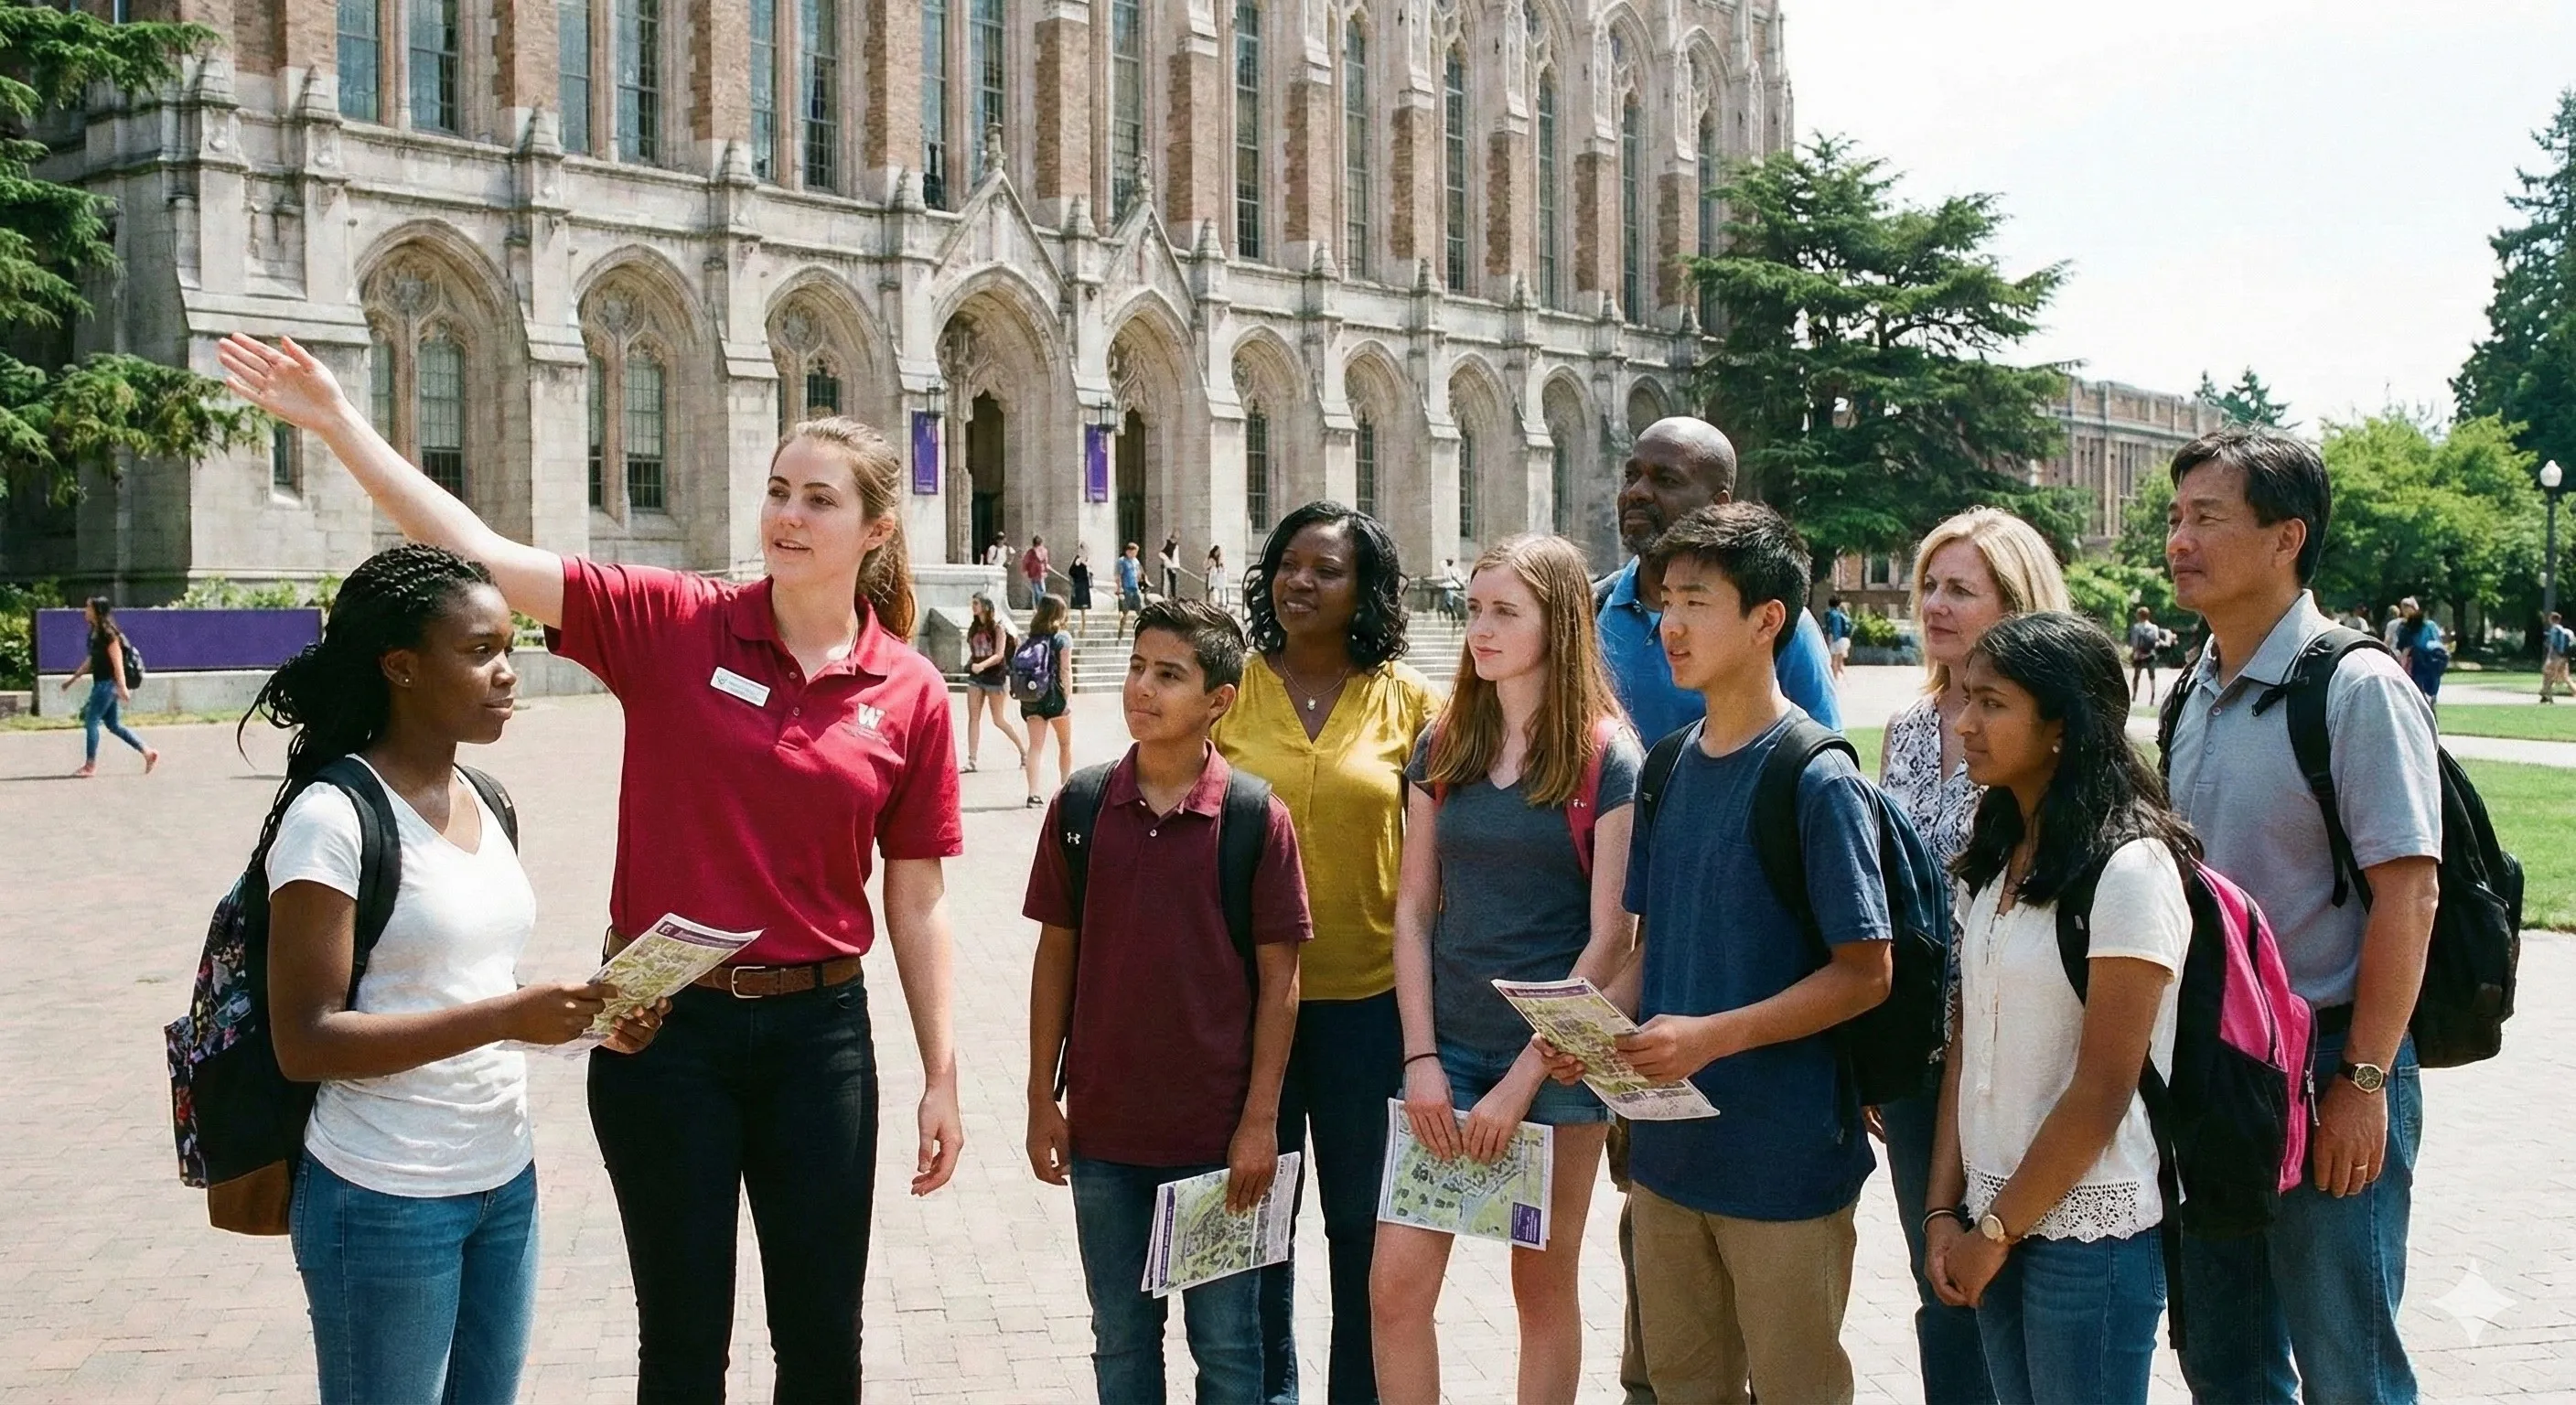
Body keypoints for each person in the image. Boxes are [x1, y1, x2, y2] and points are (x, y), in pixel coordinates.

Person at [220, 334, 967, 1400]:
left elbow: (917, 897)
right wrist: (339, 421)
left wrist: (942, 1071)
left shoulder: (907, 691)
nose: (786, 518)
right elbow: (478, 551)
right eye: (775, 492)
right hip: (664, 1031)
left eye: (817, 500)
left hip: (820, 1041)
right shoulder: (673, 622)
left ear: (876, 529)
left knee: (821, 1343)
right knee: (680, 1344)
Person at [252, 544, 665, 1404]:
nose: (508, 674)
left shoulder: (489, 797)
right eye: (480, 653)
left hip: (500, 1178)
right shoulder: (332, 819)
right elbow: (306, 1040)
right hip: (382, 1193)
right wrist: (511, 1017)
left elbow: (473, 986)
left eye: (511, 649)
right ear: (401, 667)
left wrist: (590, 1018)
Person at [1546, 501, 1893, 1404]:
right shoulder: (1662, 766)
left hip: (1781, 1165)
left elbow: (1865, 974)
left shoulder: (1816, 779)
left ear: (1765, 620)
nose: (1667, 624)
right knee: (1677, 1387)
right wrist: (1586, 1031)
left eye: (1695, 601)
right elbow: (1648, 950)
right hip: (1665, 1164)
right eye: (1664, 601)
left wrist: (1713, 1036)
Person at [2161, 425, 2442, 1405]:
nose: (2177, 541)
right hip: (2218, 1075)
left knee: (2346, 1365)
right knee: (2223, 1361)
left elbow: (2410, 892)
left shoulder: (2355, 686)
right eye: (2172, 517)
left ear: (2286, 537)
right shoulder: (2192, 688)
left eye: (2205, 518)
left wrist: (2364, 1079)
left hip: (2329, 1066)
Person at [1586, 414, 1841, 1403]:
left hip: (1733, 977)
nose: (1638, 493)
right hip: (1629, 961)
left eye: (1668, 480)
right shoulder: (1598, 614)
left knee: (1759, 1290)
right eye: (1633, 474)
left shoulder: (1790, 671)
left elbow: (1812, 783)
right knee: (1655, 1230)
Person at [1372, 534, 1640, 1405]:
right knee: (1397, 1288)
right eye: (1475, 608)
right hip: (1447, 1052)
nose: (1477, 628)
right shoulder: (1442, 743)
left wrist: (1523, 1081)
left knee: (1542, 1287)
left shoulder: (1608, 757)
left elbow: (1612, 938)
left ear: (1557, 624)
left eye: (1503, 612)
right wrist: (1421, 1061)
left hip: (1556, 1068)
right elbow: (1412, 912)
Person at [1025, 599, 1309, 1405]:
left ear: (1219, 700)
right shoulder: (1082, 807)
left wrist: (1260, 1123)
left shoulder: (1256, 817)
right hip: (1107, 1140)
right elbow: (1056, 958)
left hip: (1219, 1146)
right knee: (1120, 1343)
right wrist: (1042, 1099)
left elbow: (1282, 982)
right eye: (1139, 668)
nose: (1143, 689)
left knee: (1227, 1350)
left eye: (1170, 675)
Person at [1918, 611, 2191, 1405]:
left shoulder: (2132, 870)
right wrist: (1944, 1210)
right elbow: (1964, 1048)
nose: (1965, 723)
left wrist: (1993, 1234)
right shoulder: (1996, 855)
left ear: (2063, 725)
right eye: (1967, 699)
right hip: (1989, 1217)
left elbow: (2104, 1089)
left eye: (1993, 704)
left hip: (2088, 1237)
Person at [1214, 499, 1439, 1405]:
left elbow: (1443, 863)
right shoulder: (1230, 686)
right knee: (1254, 1229)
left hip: (1369, 1009)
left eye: (1326, 569)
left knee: (1362, 1234)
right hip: (1244, 1010)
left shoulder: (1413, 701)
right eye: (1287, 563)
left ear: (1365, 591)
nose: (1299, 581)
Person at [1878, 506, 2069, 1405]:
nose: (1935, 604)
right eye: (1928, 584)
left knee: (2028, 1276)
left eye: (1961, 588)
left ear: (2016, 603)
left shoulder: (2051, 739)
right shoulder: (1909, 728)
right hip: (1921, 1060)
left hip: (2021, 1048)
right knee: (1939, 1279)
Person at [60, 595, 159, 778]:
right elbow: (91, 661)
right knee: (113, 724)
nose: (85, 611)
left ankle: (90, 765)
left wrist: (122, 687)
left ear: (97, 611)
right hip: (102, 683)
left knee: (91, 721)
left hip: (108, 685)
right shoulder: (95, 633)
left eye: (88, 608)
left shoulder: (109, 634)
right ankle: (148, 752)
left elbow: (117, 661)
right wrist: (72, 679)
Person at [1022, 594, 1078, 808]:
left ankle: (1033, 794)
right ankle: (1065, 788)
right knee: (1065, 745)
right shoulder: (1062, 638)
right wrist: (1067, 699)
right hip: (1055, 697)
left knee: (1035, 747)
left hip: (1033, 697)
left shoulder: (1032, 637)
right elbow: (1065, 670)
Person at [962, 593, 1028, 774]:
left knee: (998, 720)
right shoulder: (974, 628)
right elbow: (976, 650)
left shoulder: (998, 628)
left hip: (995, 677)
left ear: (985, 606)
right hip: (976, 677)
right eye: (973, 603)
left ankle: (1024, 752)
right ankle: (972, 760)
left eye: (976, 603)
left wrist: (981, 665)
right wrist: (973, 665)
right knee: (973, 718)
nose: (973, 606)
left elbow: (999, 654)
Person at [2394, 598, 2447, 707]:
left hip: (2422, 665)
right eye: (2404, 609)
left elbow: (2405, 649)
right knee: (2425, 698)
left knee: (2422, 698)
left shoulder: (2426, 626)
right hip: (2423, 666)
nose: (2406, 612)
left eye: (2408, 608)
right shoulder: (2404, 627)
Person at [2127, 606, 2163, 702]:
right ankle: (2153, 695)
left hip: (2139, 655)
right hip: (2150, 654)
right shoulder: (2154, 627)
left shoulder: (2136, 627)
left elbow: (2134, 642)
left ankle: (2134, 695)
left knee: (2136, 676)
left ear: (2139, 616)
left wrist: (2135, 653)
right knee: (2152, 675)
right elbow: (2156, 641)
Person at [2542, 611, 2572, 702]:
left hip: (2555, 656)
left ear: (2552, 619)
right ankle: (2546, 695)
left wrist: (2549, 657)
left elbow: (2553, 645)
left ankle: (2546, 694)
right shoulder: (2563, 630)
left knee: (2547, 673)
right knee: (2565, 677)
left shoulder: (2554, 629)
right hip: (2563, 656)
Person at [1118, 542, 1147, 637]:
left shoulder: (1136, 561)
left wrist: (1142, 581)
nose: (1135, 554)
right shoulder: (1122, 561)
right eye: (1134, 552)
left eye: (1136, 552)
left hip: (1135, 587)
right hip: (1126, 587)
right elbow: (1118, 575)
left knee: (1140, 608)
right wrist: (1119, 587)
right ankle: (1121, 627)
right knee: (1125, 610)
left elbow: (1139, 573)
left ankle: (1142, 629)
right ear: (1128, 551)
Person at [1824, 595, 1854, 681]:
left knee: (1833, 661)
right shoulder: (1842, 614)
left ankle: (1834, 680)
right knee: (1840, 663)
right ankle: (1847, 682)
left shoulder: (1830, 613)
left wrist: (1832, 640)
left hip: (1836, 639)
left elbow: (1832, 629)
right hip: (1845, 640)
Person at [1069, 543, 1097, 632]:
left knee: (1083, 608)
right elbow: (1071, 571)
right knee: (1080, 607)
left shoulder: (1087, 560)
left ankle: (1083, 628)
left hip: (1085, 585)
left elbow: (1091, 571)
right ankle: (1082, 627)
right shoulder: (1078, 559)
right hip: (1079, 584)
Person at [1025, 534, 1053, 606]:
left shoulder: (1031, 551)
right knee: (1042, 590)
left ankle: (1037, 607)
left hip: (1034, 573)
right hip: (1040, 572)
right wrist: (1046, 571)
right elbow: (1045, 562)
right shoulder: (1044, 550)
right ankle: (1041, 606)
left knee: (1036, 591)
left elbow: (1027, 562)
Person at [1208, 543, 1231, 611]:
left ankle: (1221, 604)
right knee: (1213, 593)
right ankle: (1214, 605)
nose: (1218, 553)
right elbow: (1212, 569)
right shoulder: (1212, 559)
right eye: (1217, 551)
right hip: (1214, 580)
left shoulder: (1220, 560)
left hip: (1220, 580)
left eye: (1219, 551)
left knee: (1221, 592)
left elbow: (1223, 569)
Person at [1163, 533, 1184, 600]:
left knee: (1174, 582)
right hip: (1170, 567)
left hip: (1174, 566)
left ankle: (1173, 596)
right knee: (1170, 582)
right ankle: (1169, 596)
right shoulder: (1169, 546)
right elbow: (1164, 554)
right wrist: (1170, 564)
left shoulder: (1175, 546)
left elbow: (1176, 557)